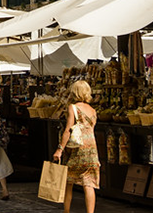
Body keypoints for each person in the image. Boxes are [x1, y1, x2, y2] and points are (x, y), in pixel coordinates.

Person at [52, 80, 99, 213]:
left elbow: (68, 130)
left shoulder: (72, 108)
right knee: (89, 184)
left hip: (77, 149)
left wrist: (60, 149)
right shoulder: (93, 110)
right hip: (92, 149)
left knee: (69, 181)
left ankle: (66, 211)